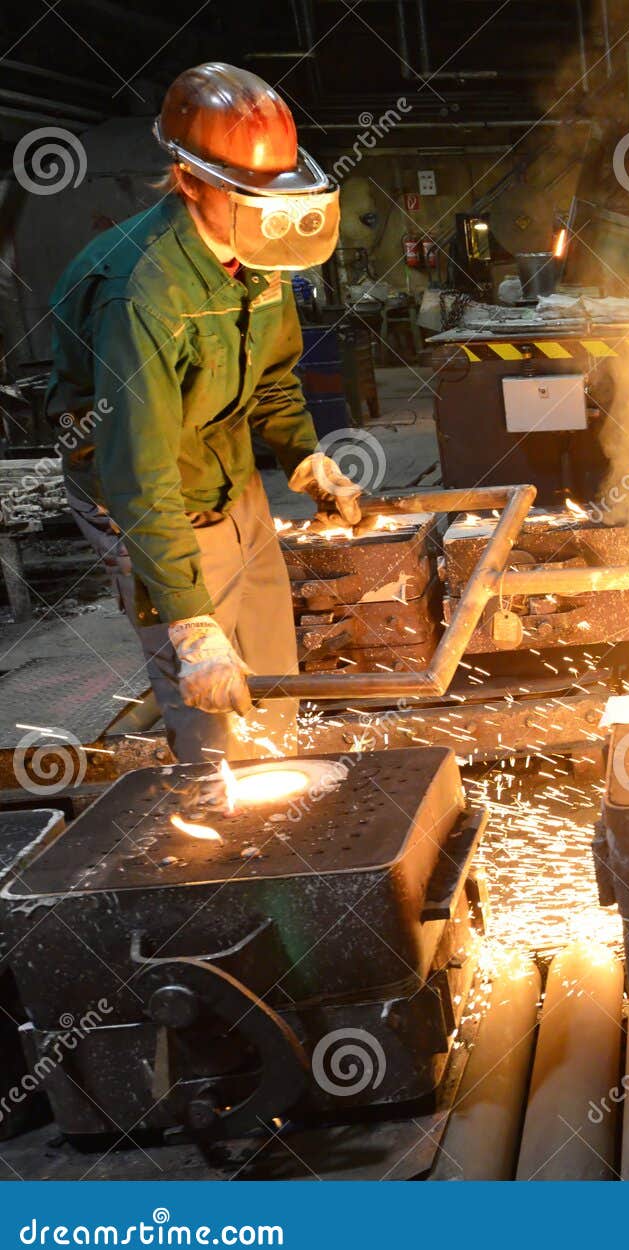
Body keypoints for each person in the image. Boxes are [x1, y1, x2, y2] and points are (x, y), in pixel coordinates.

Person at [46, 62, 363, 763]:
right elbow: (139, 471)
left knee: (272, 672)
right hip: (147, 494)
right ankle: (218, 810)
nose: (269, 215)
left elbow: (271, 376)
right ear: (189, 181)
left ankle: (282, 790)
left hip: (228, 469)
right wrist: (191, 626)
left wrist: (306, 460)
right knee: (212, 696)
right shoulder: (141, 293)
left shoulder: (257, 252)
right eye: (249, 196)